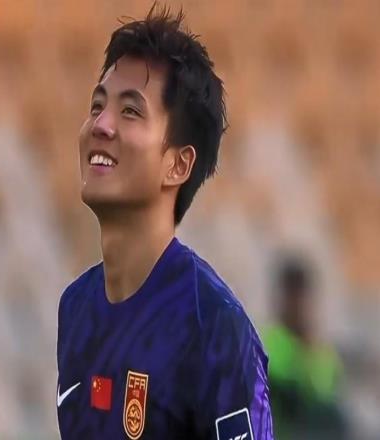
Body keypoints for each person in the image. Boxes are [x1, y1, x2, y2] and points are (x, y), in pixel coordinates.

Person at [57, 5, 273, 439]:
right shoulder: (76, 307)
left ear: (178, 165)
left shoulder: (214, 327)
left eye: (130, 111)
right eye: (97, 105)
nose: (101, 124)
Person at [262, 256, 347, 440]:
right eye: (293, 296)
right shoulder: (269, 345)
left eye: (303, 296)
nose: (299, 305)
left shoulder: (324, 355)